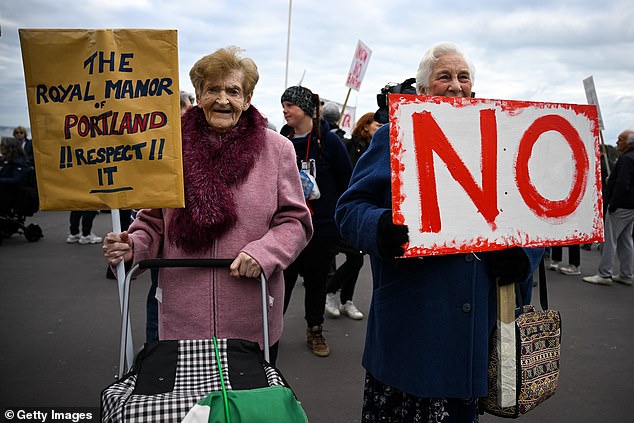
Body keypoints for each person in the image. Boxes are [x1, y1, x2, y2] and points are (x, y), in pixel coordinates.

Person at [335, 42, 544, 422]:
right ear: (424, 90)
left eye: (463, 77)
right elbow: (349, 211)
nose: (455, 85)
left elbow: (533, 218)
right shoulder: (394, 135)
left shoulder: (500, 140)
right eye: (444, 76)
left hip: (474, 331)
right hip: (412, 324)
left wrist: (522, 257)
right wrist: (380, 227)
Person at [103, 46, 312, 365]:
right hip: (180, 318)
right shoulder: (168, 148)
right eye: (212, 89)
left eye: (233, 90)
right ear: (198, 95)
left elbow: (295, 222)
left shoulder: (277, 150)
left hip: (251, 317)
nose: (223, 99)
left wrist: (265, 253)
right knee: (189, 414)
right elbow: (153, 223)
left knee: (249, 412)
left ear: (248, 97)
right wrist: (133, 246)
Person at [280, 85, 353, 357]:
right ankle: (268, 333)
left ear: (306, 109)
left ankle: (315, 330)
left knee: (316, 282)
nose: (285, 110)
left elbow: (348, 181)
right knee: (282, 283)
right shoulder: (282, 139)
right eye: (283, 105)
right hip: (287, 228)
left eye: (290, 105)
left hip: (320, 230)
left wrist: (339, 219)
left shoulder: (328, 142)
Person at [325, 112, 382, 320]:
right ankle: (330, 291)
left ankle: (346, 300)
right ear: (365, 126)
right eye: (377, 124)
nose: (382, 127)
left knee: (356, 258)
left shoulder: (374, 148)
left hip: (367, 209)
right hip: (349, 211)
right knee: (356, 259)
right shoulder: (349, 145)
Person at [583, 129, 634, 286]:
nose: (617, 142)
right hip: (630, 206)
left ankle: (604, 273)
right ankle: (626, 273)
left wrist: (613, 203)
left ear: (629, 143)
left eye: (620, 140)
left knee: (609, 240)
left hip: (621, 205)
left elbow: (622, 184)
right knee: (626, 240)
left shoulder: (625, 159)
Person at [0, 136, 31, 214]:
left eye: (3, 145)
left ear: (10, 147)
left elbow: (17, 180)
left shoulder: (18, 161)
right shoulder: (5, 159)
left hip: (11, 194)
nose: (1, 147)